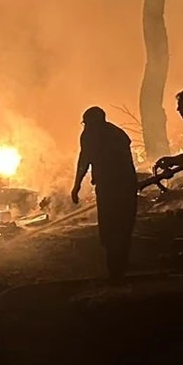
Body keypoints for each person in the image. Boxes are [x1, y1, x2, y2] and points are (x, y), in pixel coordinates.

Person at [71, 106, 138, 283]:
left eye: (87, 124)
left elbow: (84, 161)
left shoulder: (94, 136)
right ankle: (118, 267)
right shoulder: (118, 134)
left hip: (111, 187)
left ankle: (116, 270)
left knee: (112, 228)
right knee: (121, 227)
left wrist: (77, 186)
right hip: (123, 186)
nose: (85, 128)